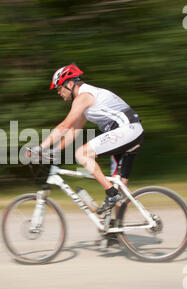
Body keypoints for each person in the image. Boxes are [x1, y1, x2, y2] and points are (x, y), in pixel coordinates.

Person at [31, 64, 144, 215]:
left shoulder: (83, 97)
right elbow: (73, 131)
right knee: (120, 188)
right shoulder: (87, 98)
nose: (59, 92)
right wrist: (56, 150)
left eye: (59, 88)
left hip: (126, 130)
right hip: (131, 132)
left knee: (82, 154)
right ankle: (116, 231)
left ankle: (110, 193)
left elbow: (64, 125)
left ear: (70, 84)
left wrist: (40, 147)